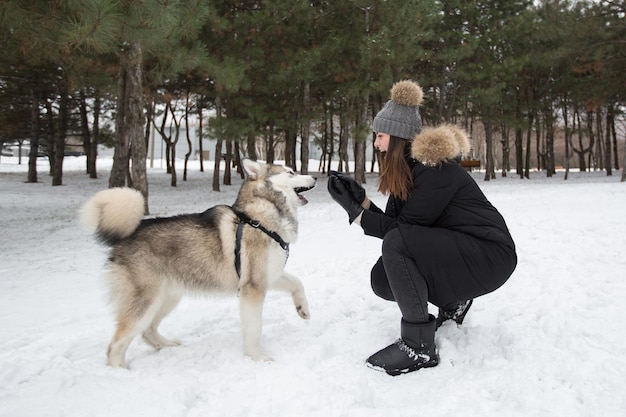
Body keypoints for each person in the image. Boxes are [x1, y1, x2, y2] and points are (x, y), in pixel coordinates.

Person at [327, 80, 517, 376]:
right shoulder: (410, 171)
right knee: (383, 279)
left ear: (399, 137)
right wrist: (360, 201)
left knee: (397, 246)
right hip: (461, 250)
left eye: (380, 136)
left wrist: (356, 213)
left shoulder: (435, 171)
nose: (376, 143)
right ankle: (453, 302)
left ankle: (418, 346)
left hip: (489, 255)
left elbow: (400, 236)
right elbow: (400, 228)